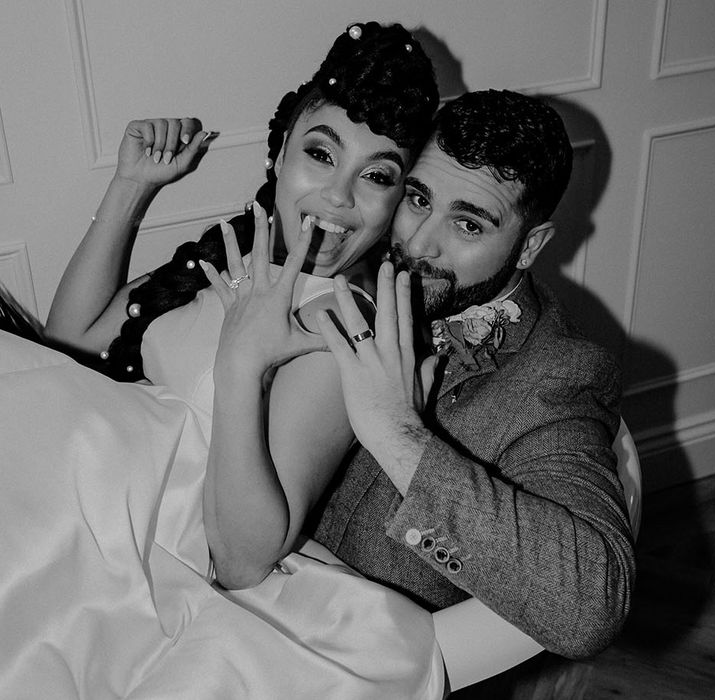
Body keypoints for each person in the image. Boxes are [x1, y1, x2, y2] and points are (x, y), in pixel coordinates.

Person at [41, 21, 438, 589]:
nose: (338, 196)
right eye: (322, 154)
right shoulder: (233, 249)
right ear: (278, 155)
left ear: (397, 202)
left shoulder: (342, 326)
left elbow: (244, 560)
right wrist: (131, 186)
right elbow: (71, 342)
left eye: (376, 175)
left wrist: (241, 365)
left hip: (132, 567)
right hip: (74, 496)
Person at [309, 89, 636, 660]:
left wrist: (395, 432)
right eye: (417, 199)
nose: (416, 242)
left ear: (530, 246)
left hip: (364, 665)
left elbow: (591, 607)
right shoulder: (358, 253)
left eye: (468, 225)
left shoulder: (558, 377)